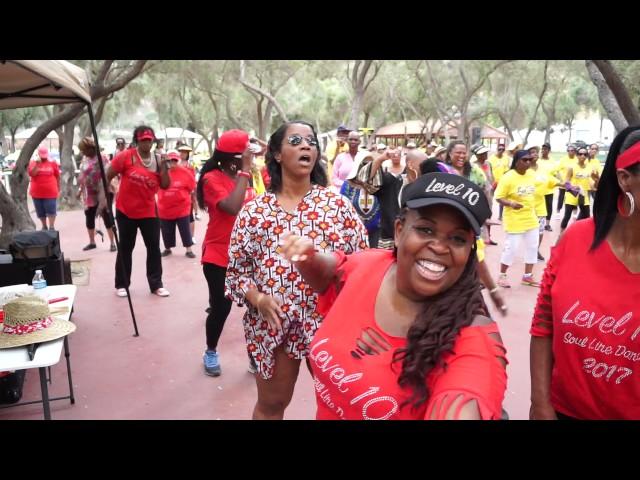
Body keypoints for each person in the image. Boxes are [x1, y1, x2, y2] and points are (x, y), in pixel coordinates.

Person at [280, 172, 507, 419]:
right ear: (399, 231)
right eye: (426, 229)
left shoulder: (473, 340)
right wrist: (308, 259)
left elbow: (467, 393)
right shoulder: (368, 265)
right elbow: (332, 274)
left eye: (457, 238)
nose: (440, 246)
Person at [225, 120, 368, 420]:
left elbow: (362, 267)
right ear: (276, 154)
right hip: (275, 327)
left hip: (331, 326)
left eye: (311, 141)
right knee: (271, 406)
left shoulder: (338, 207)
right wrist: (259, 299)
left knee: (342, 407)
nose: (306, 145)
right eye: (296, 141)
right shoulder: (254, 211)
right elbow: (237, 273)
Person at [530, 125, 640, 420]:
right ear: (625, 179)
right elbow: (543, 323)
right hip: (562, 411)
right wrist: (540, 403)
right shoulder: (576, 238)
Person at [197, 130, 256, 377]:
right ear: (233, 157)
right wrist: (245, 171)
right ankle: (210, 351)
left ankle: (256, 354)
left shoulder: (246, 176)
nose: (250, 158)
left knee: (256, 307)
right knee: (221, 308)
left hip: (248, 254)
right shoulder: (211, 179)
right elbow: (232, 208)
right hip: (218, 254)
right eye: (246, 154)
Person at [106, 125, 171, 298]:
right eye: (143, 140)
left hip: (148, 211)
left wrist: (165, 168)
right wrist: (104, 199)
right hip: (126, 211)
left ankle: (156, 284)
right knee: (126, 247)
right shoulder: (126, 157)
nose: (147, 144)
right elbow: (108, 175)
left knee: (154, 248)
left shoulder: (158, 160)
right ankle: (122, 284)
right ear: (137, 141)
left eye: (149, 140)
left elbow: (165, 185)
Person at [494, 150, 541, 288]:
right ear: (516, 161)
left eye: (529, 160)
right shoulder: (508, 177)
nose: (528, 163)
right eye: (524, 160)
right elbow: (499, 197)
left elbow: (544, 184)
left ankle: (527, 276)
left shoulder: (531, 174)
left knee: (533, 247)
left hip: (531, 218)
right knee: (511, 248)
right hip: (514, 219)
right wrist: (511, 204)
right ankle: (502, 275)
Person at [77, 137, 116, 252]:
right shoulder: (85, 159)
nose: (82, 152)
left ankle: (113, 243)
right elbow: (83, 176)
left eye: (84, 150)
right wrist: (80, 190)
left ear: (91, 148)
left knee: (107, 216)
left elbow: (108, 175)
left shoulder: (102, 158)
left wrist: (103, 198)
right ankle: (92, 242)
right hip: (90, 193)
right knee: (89, 216)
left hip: (103, 191)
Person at [157, 150, 197, 259]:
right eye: (170, 160)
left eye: (174, 160)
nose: (172, 163)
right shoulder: (161, 172)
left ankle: (189, 249)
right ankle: (167, 248)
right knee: (166, 230)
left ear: (177, 160)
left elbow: (191, 187)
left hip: (182, 208)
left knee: (185, 229)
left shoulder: (185, 172)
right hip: (164, 208)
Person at [340, 150, 382, 248]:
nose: (367, 167)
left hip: (377, 232)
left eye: (371, 164)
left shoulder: (380, 184)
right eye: (364, 164)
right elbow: (342, 208)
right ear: (358, 165)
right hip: (354, 233)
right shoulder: (348, 185)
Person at [528, 145, 562, 261]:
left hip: (540, 206)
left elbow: (554, 181)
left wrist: (568, 185)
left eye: (536, 152)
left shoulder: (542, 170)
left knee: (540, 231)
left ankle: (535, 250)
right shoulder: (524, 170)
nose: (535, 154)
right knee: (526, 232)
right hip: (526, 207)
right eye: (532, 152)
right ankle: (528, 250)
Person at [559, 146, 592, 234]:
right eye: (580, 154)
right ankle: (561, 235)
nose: (583, 156)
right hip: (572, 194)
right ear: (577, 155)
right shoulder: (572, 167)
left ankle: (576, 231)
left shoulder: (589, 167)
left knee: (587, 216)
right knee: (567, 216)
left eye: (585, 154)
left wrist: (596, 182)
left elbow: (591, 183)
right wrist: (573, 187)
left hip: (583, 195)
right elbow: (566, 182)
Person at [28, 146, 60, 231]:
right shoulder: (33, 163)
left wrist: (58, 188)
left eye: (45, 155)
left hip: (50, 192)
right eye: (42, 156)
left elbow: (57, 176)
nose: (43, 157)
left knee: (51, 210)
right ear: (38, 154)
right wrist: (37, 165)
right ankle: (44, 226)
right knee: (40, 211)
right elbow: (32, 174)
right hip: (37, 192)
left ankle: (52, 227)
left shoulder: (53, 163)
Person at [177, 144, 199, 242]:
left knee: (190, 215)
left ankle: (192, 236)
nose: (183, 154)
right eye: (181, 152)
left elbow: (193, 176)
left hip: (188, 190)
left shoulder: (190, 165)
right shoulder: (176, 163)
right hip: (178, 192)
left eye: (185, 152)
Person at [539, 142, 559, 231]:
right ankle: (539, 223)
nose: (544, 150)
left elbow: (556, 174)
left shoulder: (553, 161)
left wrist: (562, 182)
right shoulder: (538, 160)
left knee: (549, 206)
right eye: (542, 149)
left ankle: (547, 224)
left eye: (546, 149)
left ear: (549, 150)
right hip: (539, 188)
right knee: (539, 206)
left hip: (549, 188)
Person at [556, 144, 578, 213]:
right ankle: (558, 211)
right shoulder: (563, 159)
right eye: (568, 150)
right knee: (561, 197)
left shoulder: (577, 159)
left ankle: (574, 212)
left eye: (572, 150)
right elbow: (557, 170)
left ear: (575, 151)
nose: (570, 152)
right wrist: (561, 180)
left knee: (574, 197)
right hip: (564, 182)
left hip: (573, 183)